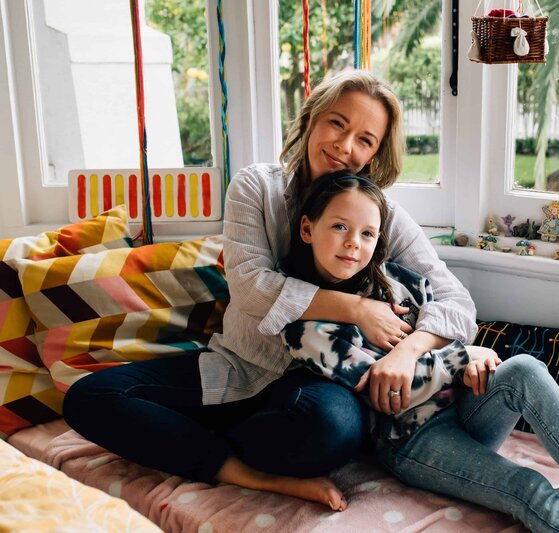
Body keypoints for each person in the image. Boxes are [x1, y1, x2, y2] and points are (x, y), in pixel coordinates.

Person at [62, 70, 477, 512]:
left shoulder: (382, 215)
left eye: (365, 139)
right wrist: (357, 309)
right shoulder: (256, 187)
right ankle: (244, 472)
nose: (344, 145)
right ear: (312, 118)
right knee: (90, 398)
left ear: (376, 153)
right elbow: (251, 289)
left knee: (330, 429)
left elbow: (460, 305)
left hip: (317, 387)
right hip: (237, 366)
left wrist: (406, 352)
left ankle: (199, 440)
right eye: (337, 123)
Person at [281, 172, 559, 532]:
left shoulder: (399, 280)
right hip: (413, 438)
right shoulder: (305, 328)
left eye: (367, 233)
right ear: (308, 229)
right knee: (529, 487)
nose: (353, 243)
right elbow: (390, 390)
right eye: (339, 227)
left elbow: (446, 328)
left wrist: (470, 354)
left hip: (465, 405)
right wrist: (463, 358)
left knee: (524, 369)